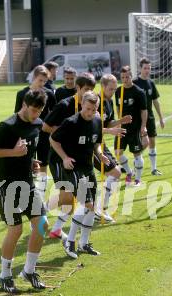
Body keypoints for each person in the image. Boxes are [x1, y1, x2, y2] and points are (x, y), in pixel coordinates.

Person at [0, 89, 49, 293]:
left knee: (42, 224)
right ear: (24, 105)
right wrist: (13, 153)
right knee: (16, 229)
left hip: (27, 182)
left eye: (39, 111)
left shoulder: (38, 124)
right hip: (6, 184)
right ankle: (4, 275)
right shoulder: (8, 126)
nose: (36, 115)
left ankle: (29, 271)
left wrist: (31, 162)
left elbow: (27, 150)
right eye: (33, 110)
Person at [50, 91, 110, 258]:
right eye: (88, 108)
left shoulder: (97, 120)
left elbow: (96, 143)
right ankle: (70, 242)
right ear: (82, 105)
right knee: (87, 205)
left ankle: (84, 243)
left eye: (94, 108)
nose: (91, 112)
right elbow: (53, 140)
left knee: (92, 207)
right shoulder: (71, 122)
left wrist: (100, 154)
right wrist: (64, 157)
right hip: (74, 168)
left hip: (88, 167)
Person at [43, 73, 96, 240]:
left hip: (76, 158)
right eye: (86, 89)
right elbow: (45, 127)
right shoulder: (64, 105)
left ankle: (56, 228)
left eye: (92, 89)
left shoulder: (89, 106)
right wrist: (64, 132)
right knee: (68, 195)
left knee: (70, 197)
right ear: (78, 88)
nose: (89, 92)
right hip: (59, 157)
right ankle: (40, 211)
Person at [14, 65, 56, 196]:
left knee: (43, 164)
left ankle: (41, 196)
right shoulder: (22, 94)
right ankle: (28, 194)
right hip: (27, 135)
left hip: (43, 134)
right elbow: (16, 114)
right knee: (28, 164)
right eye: (40, 80)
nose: (42, 84)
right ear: (34, 77)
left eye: (45, 81)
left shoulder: (48, 93)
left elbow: (54, 114)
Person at [95, 74, 131, 222]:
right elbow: (91, 128)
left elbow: (107, 123)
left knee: (115, 173)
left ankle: (99, 209)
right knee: (115, 172)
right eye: (110, 89)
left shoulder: (108, 102)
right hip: (90, 145)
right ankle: (98, 210)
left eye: (115, 89)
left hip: (100, 142)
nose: (113, 92)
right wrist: (110, 131)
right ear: (102, 86)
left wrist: (120, 121)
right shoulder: (95, 102)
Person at [115, 65, 148, 186]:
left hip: (134, 129)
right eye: (122, 77)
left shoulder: (139, 92)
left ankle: (138, 180)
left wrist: (143, 126)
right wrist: (119, 121)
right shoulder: (118, 91)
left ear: (131, 76)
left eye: (127, 77)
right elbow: (118, 107)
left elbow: (144, 111)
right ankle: (129, 172)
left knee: (136, 154)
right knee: (118, 152)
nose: (125, 79)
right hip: (122, 128)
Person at [133, 58, 165, 175]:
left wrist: (161, 118)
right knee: (143, 142)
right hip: (138, 118)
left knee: (152, 141)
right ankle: (137, 161)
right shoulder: (134, 82)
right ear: (140, 68)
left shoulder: (151, 83)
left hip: (150, 117)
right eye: (145, 68)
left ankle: (153, 169)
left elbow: (156, 101)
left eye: (149, 68)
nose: (147, 70)